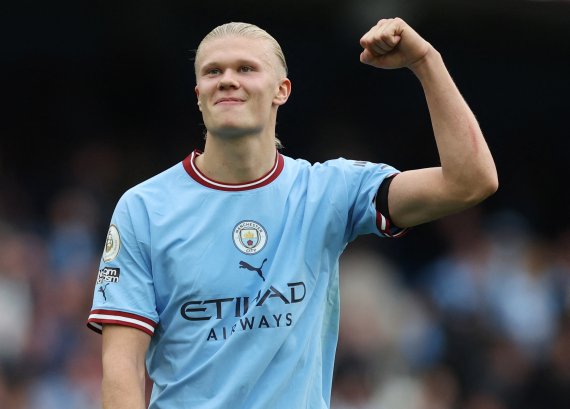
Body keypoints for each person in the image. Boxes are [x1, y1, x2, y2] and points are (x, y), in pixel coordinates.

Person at [87, 17, 498, 409]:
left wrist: (426, 61)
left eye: (246, 68)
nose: (227, 79)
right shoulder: (145, 207)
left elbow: (470, 182)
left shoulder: (328, 191)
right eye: (213, 71)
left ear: (281, 90)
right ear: (199, 95)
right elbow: (122, 366)